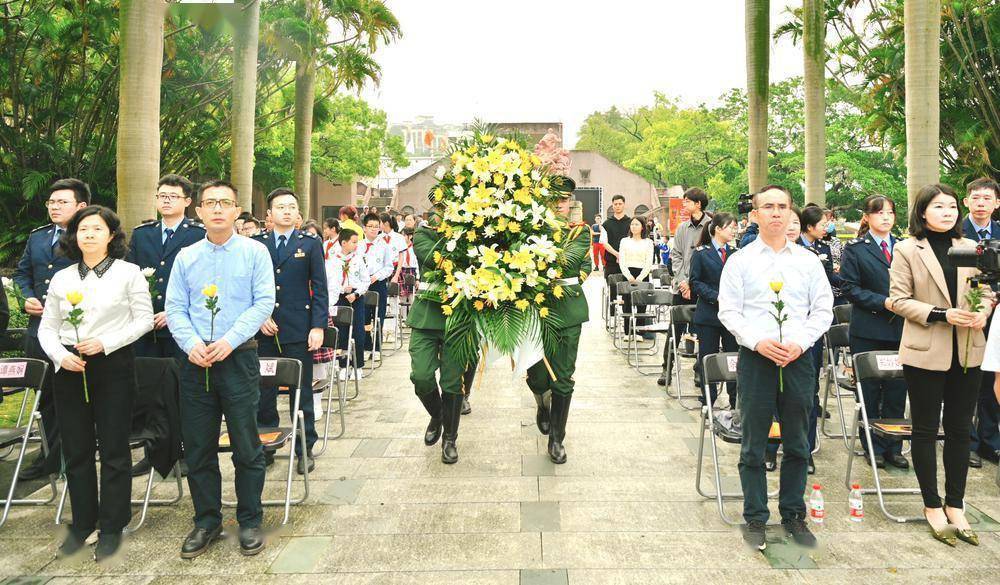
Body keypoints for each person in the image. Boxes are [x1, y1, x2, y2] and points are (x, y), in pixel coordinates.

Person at [718, 184, 832, 551]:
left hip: (798, 359)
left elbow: (823, 310)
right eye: (768, 207)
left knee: (798, 440)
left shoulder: (808, 261)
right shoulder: (740, 260)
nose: (777, 213)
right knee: (754, 442)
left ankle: (794, 514)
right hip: (757, 359)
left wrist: (800, 343)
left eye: (783, 206)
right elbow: (729, 311)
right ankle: (755, 516)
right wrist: (757, 341)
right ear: (755, 215)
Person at [165, 179, 275, 558]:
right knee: (198, 446)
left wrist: (228, 341)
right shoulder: (186, 256)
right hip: (195, 362)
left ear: (236, 210)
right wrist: (192, 345)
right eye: (209, 203)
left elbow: (263, 302)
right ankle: (206, 520)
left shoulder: (255, 252)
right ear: (198, 210)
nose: (216, 209)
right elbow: (175, 307)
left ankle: (249, 519)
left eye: (224, 203)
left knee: (246, 445)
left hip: (238, 357)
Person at [38, 205, 153, 561]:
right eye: (82, 229)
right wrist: (59, 355)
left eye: (96, 228)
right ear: (74, 237)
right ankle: (82, 522)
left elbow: (144, 320)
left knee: (115, 449)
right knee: (76, 450)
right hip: (70, 369)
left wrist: (107, 342)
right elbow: (48, 327)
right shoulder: (62, 278)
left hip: (113, 365)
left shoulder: (128, 273)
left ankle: (112, 525)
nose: (88, 234)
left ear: (111, 236)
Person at [888, 183, 991, 547]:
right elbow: (898, 300)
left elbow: (986, 290)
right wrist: (941, 314)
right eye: (939, 206)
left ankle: (956, 504)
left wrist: (981, 311)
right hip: (925, 349)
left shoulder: (970, 248)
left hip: (967, 350)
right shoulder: (907, 248)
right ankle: (932, 504)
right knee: (926, 429)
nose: (947, 212)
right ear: (922, 211)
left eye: (951, 207)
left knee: (962, 428)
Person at [12, 178, 89, 482]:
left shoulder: (89, 235)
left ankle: (73, 455)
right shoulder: (38, 238)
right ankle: (48, 455)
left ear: (81, 206)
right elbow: (22, 273)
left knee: (74, 397)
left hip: (73, 329)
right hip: (39, 330)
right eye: (51, 203)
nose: (55, 207)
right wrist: (26, 296)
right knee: (45, 399)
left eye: (62, 202)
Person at [253, 188, 328, 475]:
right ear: (269, 214)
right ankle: (267, 444)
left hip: (299, 329)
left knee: (302, 391)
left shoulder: (309, 243)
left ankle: (304, 447)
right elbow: (248, 287)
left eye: (291, 207)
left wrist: (318, 326)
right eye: (280, 207)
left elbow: (320, 288)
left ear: (298, 213)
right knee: (263, 391)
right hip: (263, 330)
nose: (286, 211)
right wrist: (260, 317)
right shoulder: (256, 243)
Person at [839, 195, 907, 469]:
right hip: (869, 328)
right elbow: (850, 288)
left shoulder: (903, 247)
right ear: (867, 217)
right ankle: (872, 445)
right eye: (879, 213)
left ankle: (895, 446)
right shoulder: (855, 248)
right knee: (868, 391)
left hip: (902, 329)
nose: (886, 218)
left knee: (897, 389)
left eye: (890, 212)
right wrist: (883, 303)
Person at [525, 185, 591, 463]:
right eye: (553, 201)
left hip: (567, 310)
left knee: (563, 377)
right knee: (538, 376)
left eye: (563, 201)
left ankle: (556, 439)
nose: (559, 205)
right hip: (537, 309)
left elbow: (571, 261)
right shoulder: (529, 230)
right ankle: (542, 403)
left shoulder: (580, 232)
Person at [406, 222, 475, 463]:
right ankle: (437, 415)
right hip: (426, 315)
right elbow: (436, 257)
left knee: (452, 381)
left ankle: (450, 439)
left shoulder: (471, 229)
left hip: (458, 316)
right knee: (421, 375)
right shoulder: (424, 234)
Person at [127, 174, 205, 362]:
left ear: (187, 201)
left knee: (179, 382)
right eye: (162, 196)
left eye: (173, 196)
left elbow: (202, 282)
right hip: (145, 323)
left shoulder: (199, 235)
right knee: (146, 380)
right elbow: (130, 275)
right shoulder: (141, 234)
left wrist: (173, 313)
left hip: (183, 326)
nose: (166, 200)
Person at [796, 204, 845, 474]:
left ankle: (807, 445)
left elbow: (827, 281)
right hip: (789, 323)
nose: (826, 227)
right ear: (809, 225)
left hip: (812, 327)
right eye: (822, 223)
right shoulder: (794, 250)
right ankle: (772, 445)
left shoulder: (823, 248)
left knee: (809, 387)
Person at [962, 177, 1000, 468]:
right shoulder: (955, 233)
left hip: (997, 316)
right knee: (968, 380)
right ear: (967, 202)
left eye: (987, 198)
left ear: (996, 203)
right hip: (968, 313)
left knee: (993, 381)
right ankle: (969, 442)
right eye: (976, 198)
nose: (981, 203)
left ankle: (990, 441)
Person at [659, 188, 710, 386]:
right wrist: (682, 281)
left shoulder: (711, 226)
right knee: (675, 329)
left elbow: (710, 258)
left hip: (702, 288)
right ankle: (667, 367)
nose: (684, 205)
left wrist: (694, 283)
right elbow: (676, 256)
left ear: (698, 204)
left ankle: (700, 369)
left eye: (688, 201)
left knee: (703, 332)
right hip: (681, 288)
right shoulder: (682, 228)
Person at [689, 212, 738, 408]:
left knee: (733, 358)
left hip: (732, 316)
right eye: (730, 227)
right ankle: (708, 398)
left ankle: (735, 400)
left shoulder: (736, 253)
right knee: (707, 357)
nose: (734, 230)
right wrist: (716, 296)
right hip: (709, 314)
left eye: (735, 227)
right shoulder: (701, 252)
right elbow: (695, 281)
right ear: (718, 228)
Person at [326, 228, 369, 378]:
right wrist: (342, 288)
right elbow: (329, 283)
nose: (356, 245)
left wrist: (356, 293)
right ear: (343, 243)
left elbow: (366, 281)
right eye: (354, 242)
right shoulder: (332, 260)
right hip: (340, 297)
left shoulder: (358, 259)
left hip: (356, 298)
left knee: (358, 331)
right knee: (342, 331)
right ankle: (344, 364)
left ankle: (358, 366)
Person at [359, 213, 395, 358]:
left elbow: (389, 267)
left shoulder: (384, 246)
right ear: (364, 228)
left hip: (378, 284)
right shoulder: (359, 246)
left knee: (378, 317)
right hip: (363, 286)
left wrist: (376, 276)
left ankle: (377, 348)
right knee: (364, 318)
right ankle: (367, 347)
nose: (374, 229)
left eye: (376, 227)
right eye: (370, 226)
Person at [618, 217, 654, 337]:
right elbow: (622, 261)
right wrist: (628, 276)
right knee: (627, 304)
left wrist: (640, 278)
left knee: (641, 305)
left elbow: (649, 262)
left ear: (642, 227)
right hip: (627, 275)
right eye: (632, 224)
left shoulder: (648, 242)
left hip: (642, 275)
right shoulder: (624, 241)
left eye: (637, 224)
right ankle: (627, 332)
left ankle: (639, 331)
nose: (633, 226)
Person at [601, 195, 631, 326]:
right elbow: (604, 242)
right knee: (612, 290)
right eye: (615, 204)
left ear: (624, 204)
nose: (618, 206)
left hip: (628, 262)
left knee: (626, 292)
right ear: (612, 205)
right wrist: (617, 254)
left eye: (620, 203)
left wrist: (623, 256)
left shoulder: (631, 222)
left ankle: (626, 320)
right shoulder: (606, 224)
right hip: (612, 262)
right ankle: (612, 317)